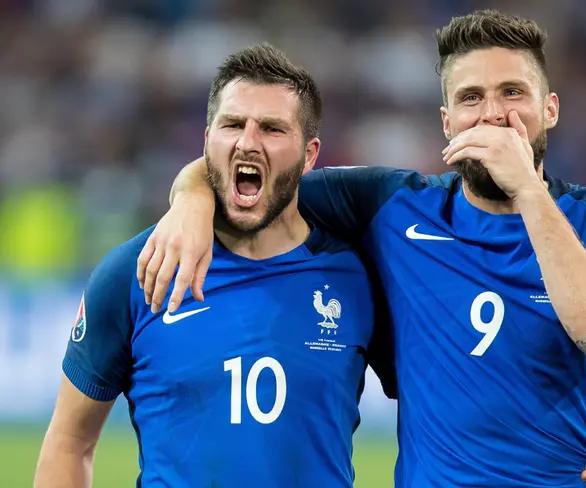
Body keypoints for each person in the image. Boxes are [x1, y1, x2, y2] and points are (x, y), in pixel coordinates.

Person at [139, 10, 586, 487]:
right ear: (447, 121)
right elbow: (262, 170)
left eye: (513, 92)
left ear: (550, 108)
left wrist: (529, 192)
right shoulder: (391, 206)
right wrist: (190, 198)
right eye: (471, 97)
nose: (493, 115)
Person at [35, 44, 394, 487]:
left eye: (271, 128)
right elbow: (70, 441)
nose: (248, 141)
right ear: (207, 142)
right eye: (232, 124)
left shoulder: (357, 277)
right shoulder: (138, 270)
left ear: (309, 154)